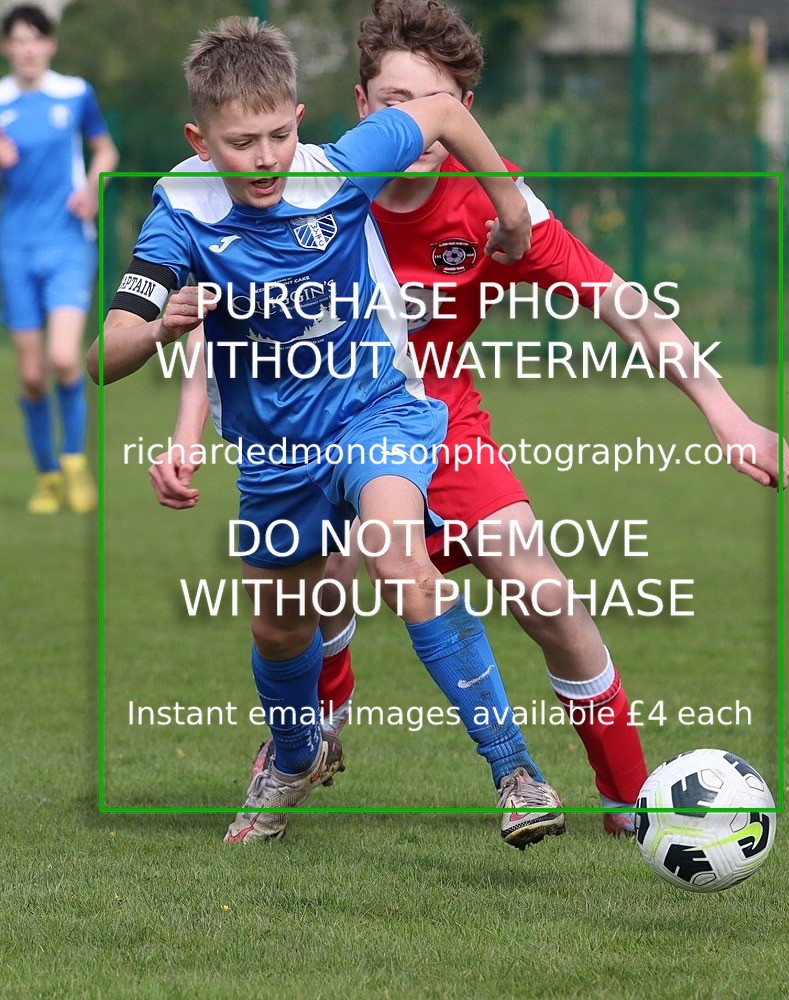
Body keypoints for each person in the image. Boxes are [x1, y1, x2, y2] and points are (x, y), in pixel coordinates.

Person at [89, 15, 567, 848]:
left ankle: (517, 773)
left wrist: (512, 212)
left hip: (376, 406)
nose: (266, 156)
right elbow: (103, 356)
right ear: (199, 139)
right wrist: (161, 324)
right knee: (281, 623)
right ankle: (297, 756)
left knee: (397, 552)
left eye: (279, 133)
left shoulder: (341, 166)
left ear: (301, 121)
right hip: (278, 451)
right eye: (242, 142)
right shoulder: (180, 215)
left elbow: (447, 116)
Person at [0, 4, 118, 514]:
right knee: (30, 376)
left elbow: (106, 150)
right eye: (18, 40)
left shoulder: (74, 93)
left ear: (50, 44)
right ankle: (47, 475)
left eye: (36, 39)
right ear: (7, 48)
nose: (27, 48)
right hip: (12, 248)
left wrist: (93, 185)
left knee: (66, 358)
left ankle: (74, 464)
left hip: (69, 243)